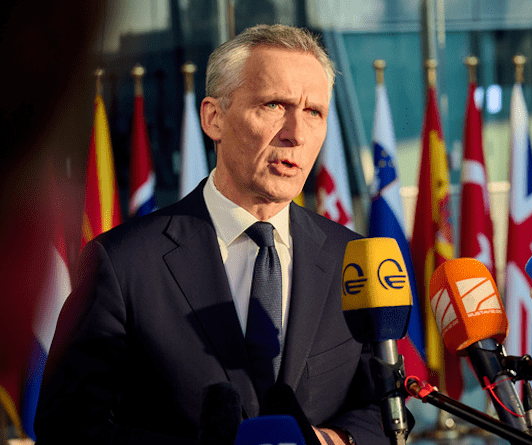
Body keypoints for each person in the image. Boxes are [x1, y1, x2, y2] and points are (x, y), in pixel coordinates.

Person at [34, 24, 388, 445]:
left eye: (314, 112)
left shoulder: (353, 258)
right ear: (214, 118)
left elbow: (385, 411)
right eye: (275, 104)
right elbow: (68, 427)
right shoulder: (121, 263)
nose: (296, 133)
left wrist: (333, 441)